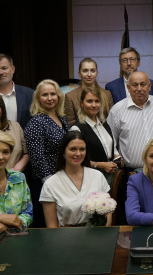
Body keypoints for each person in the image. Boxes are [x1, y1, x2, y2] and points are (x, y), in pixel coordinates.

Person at [107, 71, 153, 169]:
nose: (139, 89)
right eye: (135, 85)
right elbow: (111, 141)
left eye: (143, 84)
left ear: (149, 86)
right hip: (130, 171)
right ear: (128, 87)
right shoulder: (117, 110)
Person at [40, 131, 112, 227]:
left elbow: (108, 213)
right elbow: (52, 226)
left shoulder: (98, 176)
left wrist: (102, 233)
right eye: (73, 149)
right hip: (65, 235)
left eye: (82, 149)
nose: (78, 154)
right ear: (63, 152)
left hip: (96, 234)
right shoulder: (50, 184)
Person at [24, 79, 68, 227]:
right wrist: (50, 182)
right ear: (38, 98)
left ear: (58, 96)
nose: (50, 98)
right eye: (45, 95)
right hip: (46, 182)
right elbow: (37, 157)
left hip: (63, 177)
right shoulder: (36, 122)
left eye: (53, 94)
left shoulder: (61, 117)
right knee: (49, 224)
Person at [69, 87, 119, 175]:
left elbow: (113, 148)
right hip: (89, 176)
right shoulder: (77, 129)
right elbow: (75, 159)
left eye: (97, 101)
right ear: (81, 103)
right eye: (89, 101)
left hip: (110, 174)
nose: (94, 105)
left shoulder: (104, 123)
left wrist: (117, 157)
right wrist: (101, 165)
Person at [64, 58, 114, 126]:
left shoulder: (107, 94)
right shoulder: (70, 96)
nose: (89, 74)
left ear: (96, 73)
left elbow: (112, 121)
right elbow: (71, 124)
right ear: (79, 73)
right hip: (81, 132)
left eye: (93, 71)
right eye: (85, 71)